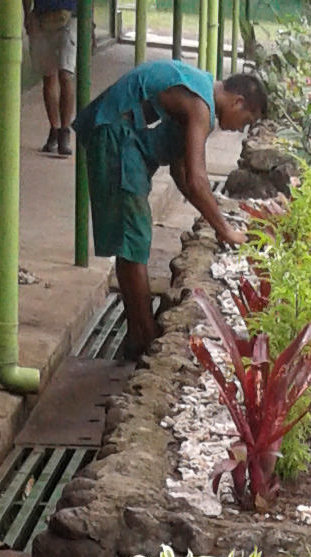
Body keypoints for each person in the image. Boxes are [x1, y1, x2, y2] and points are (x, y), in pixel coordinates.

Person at [73, 62, 268, 358]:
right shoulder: (200, 105)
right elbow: (197, 179)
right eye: (246, 120)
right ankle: (144, 338)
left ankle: (138, 334)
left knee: (132, 242)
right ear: (237, 101)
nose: (241, 128)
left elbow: (181, 173)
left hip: (119, 137)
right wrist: (226, 230)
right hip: (116, 139)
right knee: (134, 240)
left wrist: (217, 219)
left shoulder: (198, 90)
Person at [25, 0, 77, 157]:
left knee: (65, 75)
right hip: (42, 17)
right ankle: (55, 129)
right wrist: (27, 15)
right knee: (49, 76)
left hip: (70, 16)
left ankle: (64, 131)